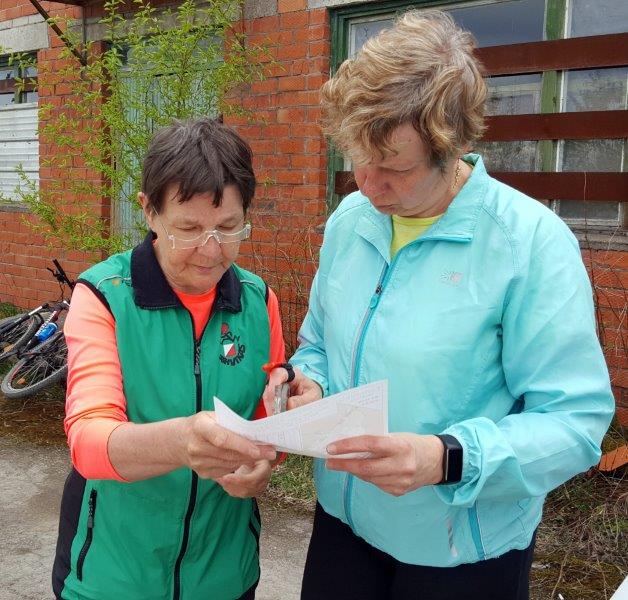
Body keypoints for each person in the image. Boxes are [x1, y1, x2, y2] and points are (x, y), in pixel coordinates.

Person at [264, 10, 615, 600]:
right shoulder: (352, 221)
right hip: (345, 524)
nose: (368, 184)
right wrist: (308, 382)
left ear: (452, 149)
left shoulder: (527, 243)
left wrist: (447, 459)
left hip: (460, 550)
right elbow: (319, 343)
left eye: (394, 168)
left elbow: (574, 422)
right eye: (358, 157)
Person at [52, 118, 283, 600]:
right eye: (188, 229)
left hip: (225, 574)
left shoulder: (258, 302)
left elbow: (268, 423)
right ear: (149, 212)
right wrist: (182, 441)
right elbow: (89, 441)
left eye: (228, 228)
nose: (210, 251)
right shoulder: (105, 296)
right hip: (113, 576)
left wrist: (265, 463)